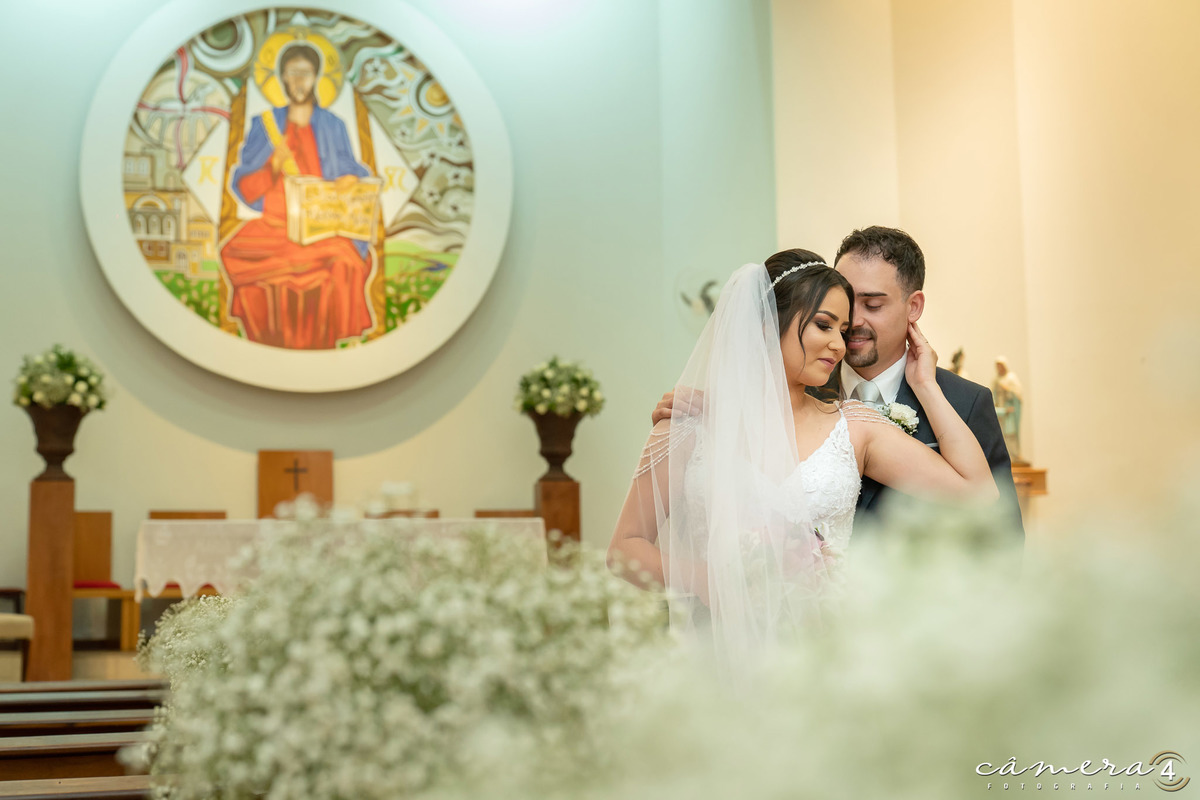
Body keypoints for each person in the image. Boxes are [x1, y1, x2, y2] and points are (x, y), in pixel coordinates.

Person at [609, 251, 998, 676]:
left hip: (825, 662)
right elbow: (624, 549)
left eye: (843, 329)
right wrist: (709, 580)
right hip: (716, 658)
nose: (839, 344)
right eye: (824, 325)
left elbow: (977, 494)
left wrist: (925, 384)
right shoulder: (688, 429)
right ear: (765, 326)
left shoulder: (854, 427)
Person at [653, 227, 1024, 536]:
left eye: (872, 305)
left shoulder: (965, 403)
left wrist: (926, 387)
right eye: (842, 304)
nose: (853, 320)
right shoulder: (795, 389)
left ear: (913, 307)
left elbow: (998, 533)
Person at [221, 42, 375, 349]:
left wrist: (349, 178)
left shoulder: (333, 126)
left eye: (305, 73)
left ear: (316, 77)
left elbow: (352, 170)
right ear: (282, 78)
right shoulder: (264, 126)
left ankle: (321, 347)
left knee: (347, 259)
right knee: (230, 251)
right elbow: (244, 186)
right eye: (292, 73)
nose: (299, 81)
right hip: (275, 227)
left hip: (320, 229)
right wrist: (272, 167)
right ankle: (267, 346)